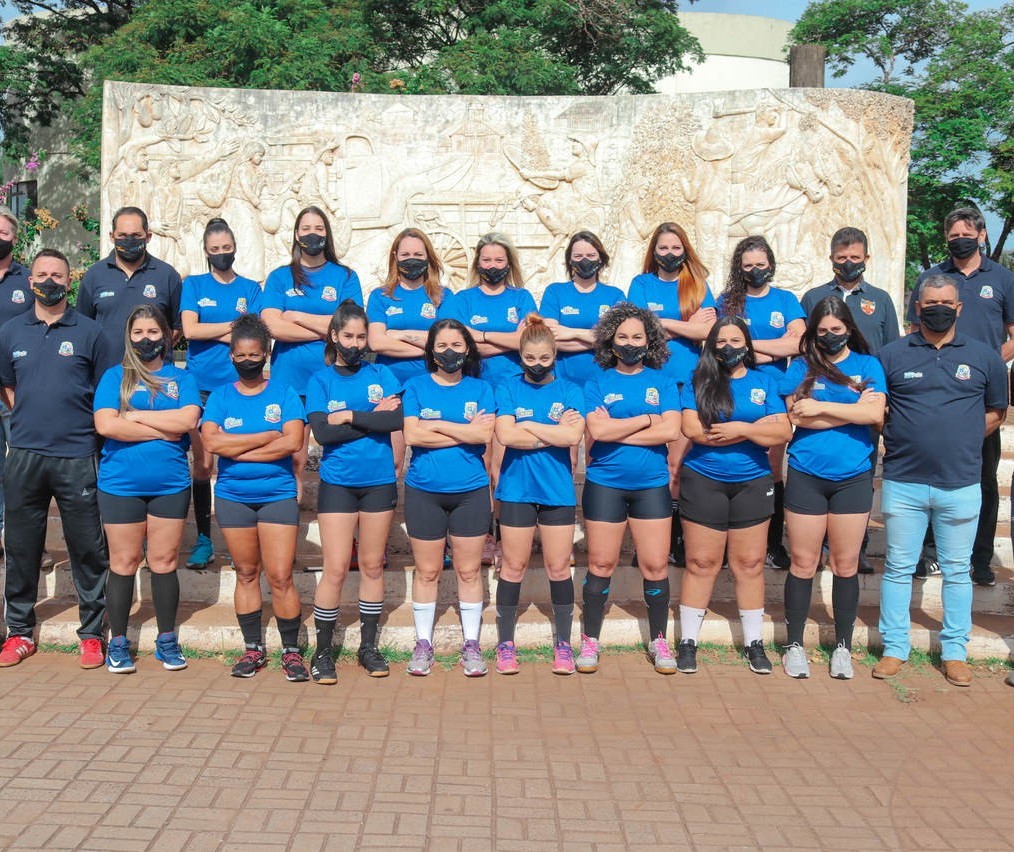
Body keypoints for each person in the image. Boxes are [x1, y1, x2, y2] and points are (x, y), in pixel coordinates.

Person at [876, 275, 1007, 687]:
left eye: (946, 301)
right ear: (917, 306)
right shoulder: (891, 356)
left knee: (956, 570)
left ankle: (955, 652)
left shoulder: (985, 357)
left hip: (961, 482)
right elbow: (877, 410)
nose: (938, 307)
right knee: (898, 567)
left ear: (959, 307)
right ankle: (895, 648)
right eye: (931, 301)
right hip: (904, 479)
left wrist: (962, 440)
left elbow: (996, 412)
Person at [0, 249, 114, 668]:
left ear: (71, 282)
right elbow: (8, 390)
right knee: (21, 547)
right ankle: (19, 632)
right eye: (42, 274)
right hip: (25, 455)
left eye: (58, 275)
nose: (50, 281)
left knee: (87, 547)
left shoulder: (91, 333)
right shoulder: (11, 332)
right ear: (30, 281)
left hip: (76, 455)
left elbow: (105, 392)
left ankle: (91, 635)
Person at [778, 296, 886, 680]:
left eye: (836, 330)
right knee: (803, 563)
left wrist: (822, 409)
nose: (829, 336)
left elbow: (875, 414)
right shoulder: (802, 366)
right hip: (807, 472)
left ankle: (843, 647)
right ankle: (794, 645)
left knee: (846, 564)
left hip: (853, 476)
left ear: (849, 329)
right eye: (822, 331)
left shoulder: (867, 365)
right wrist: (852, 410)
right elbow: (795, 416)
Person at [905, 208, 1014, 587]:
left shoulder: (1002, 279)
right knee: (931, 472)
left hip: (982, 395)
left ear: (982, 235)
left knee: (983, 478)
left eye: (967, 233)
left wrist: (987, 363)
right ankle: (931, 552)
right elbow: (913, 330)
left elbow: (1013, 334)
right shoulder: (932, 278)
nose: (959, 239)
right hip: (934, 390)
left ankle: (979, 559)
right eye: (952, 235)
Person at [677, 316, 792, 676]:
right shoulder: (698, 381)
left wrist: (741, 429)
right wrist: (757, 430)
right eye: (721, 341)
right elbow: (693, 429)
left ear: (748, 343)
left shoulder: (764, 381)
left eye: (736, 340)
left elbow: (783, 430)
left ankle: (754, 643)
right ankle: (687, 642)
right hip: (704, 479)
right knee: (701, 563)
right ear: (711, 346)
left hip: (753, 482)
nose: (729, 347)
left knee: (750, 565)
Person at [93, 305, 202, 673]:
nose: (145, 339)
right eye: (138, 332)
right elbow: (107, 426)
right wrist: (164, 430)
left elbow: (188, 419)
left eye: (152, 332)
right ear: (129, 336)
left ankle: (166, 640)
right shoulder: (114, 377)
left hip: (169, 484)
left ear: (167, 336)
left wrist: (135, 416)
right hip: (120, 484)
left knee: (164, 562)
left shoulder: (181, 378)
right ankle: (119, 642)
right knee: (123, 563)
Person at [200, 314, 308, 681]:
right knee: (246, 573)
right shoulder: (221, 395)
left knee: (280, 576)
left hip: (277, 494)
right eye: (241, 355)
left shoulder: (285, 393)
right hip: (233, 496)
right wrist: (266, 437)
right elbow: (211, 442)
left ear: (266, 354)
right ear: (231, 356)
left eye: (255, 354)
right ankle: (253, 649)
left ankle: (291, 652)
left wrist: (237, 449)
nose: (248, 360)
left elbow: (293, 441)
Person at [577, 303, 682, 675]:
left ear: (649, 340)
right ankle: (590, 640)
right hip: (605, 483)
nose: (630, 342)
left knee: (655, 565)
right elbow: (598, 432)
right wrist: (647, 419)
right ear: (610, 340)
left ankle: (658, 640)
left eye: (637, 336)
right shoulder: (597, 383)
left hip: (651, 485)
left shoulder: (664, 382)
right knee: (601, 564)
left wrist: (621, 429)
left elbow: (671, 430)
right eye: (622, 336)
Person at [305, 300, 403, 684]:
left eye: (362, 336)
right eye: (348, 335)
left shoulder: (382, 373)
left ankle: (368, 647)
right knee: (334, 568)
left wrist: (349, 416)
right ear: (334, 335)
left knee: (373, 565)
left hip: (378, 481)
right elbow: (322, 433)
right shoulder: (321, 380)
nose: (356, 342)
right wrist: (371, 418)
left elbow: (396, 419)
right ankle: (323, 652)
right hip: (338, 484)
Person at [801, 226, 901, 575]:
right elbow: (803, 346)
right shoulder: (813, 297)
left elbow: (890, 350)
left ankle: (856, 546)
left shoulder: (881, 299)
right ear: (831, 260)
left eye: (855, 258)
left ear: (866, 259)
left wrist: (880, 400)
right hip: (820, 394)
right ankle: (818, 546)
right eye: (842, 258)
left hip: (866, 396)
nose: (848, 263)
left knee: (862, 469)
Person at [401, 319, 496, 677]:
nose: (449, 352)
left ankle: (471, 645)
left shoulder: (481, 389)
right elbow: (412, 435)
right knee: (426, 571)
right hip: (424, 490)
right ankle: (423, 644)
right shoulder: (416, 386)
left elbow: (483, 435)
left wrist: (436, 424)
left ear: (467, 349)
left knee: (469, 570)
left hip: (470, 491)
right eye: (441, 346)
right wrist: (463, 431)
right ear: (431, 350)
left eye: (457, 345)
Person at [492, 315, 585, 675]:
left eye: (544, 359)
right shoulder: (507, 387)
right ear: (521, 356)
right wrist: (550, 430)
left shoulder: (570, 389)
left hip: (557, 492)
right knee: (513, 568)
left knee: (558, 567)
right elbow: (505, 436)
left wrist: (526, 424)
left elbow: (573, 438)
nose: (537, 365)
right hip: (516, 490)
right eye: (530, 359)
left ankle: (563, 644)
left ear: (554, 355)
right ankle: (505, 644)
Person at [439, 233, 537, 564]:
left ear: (508, 263)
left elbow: (527, 341)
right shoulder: (461, 299)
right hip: (472, 390)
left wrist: (479, 336)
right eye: (486, 260)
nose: (492, 266)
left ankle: (498, 535)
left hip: (512, 390)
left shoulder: (522, 297)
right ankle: (471, 537)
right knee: (478, 466)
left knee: (501, 469)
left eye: (499, 260)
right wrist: (505, 339)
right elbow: (455, 342)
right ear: (477, 263)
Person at [628, 222, 717, 567]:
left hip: (687, 383)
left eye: (676, 248)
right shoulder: (641, 283)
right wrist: (687, 326)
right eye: (663, 248)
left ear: (685, 251)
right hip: (648, 384)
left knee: (676, 466)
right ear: (654, 251)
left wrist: (662, 324)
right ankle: (647, 541)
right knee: (651, 463)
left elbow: (707, 332)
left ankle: (674, 536)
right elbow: (638, 329)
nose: (669, 254)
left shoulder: (696, 285)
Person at [261, 205, 363, 503]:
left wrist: (295, 315)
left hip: (335, 378)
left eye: (319, 229)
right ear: (296, 234)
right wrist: (329, 329)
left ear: (327, 234)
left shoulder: (345, 276)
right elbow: (272, 326)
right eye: (306, 229)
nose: (312, 234)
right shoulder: (280, 277)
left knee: (344, 457)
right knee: (293, 459)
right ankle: (288, 527)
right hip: (291, 379)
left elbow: (351, 324)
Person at [180, 217, 263, 570]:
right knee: (203, 464)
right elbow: (188, 329)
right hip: (201, 387)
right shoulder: (194, 285)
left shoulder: (251, 288)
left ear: (235, 248)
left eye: (226, 249)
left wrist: (211, 330)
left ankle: (247, 538)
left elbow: (256, 334)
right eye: (215, 250)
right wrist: (233, 328)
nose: (221, 254)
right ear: (206, 251)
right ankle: (203, 538)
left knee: (242, 455)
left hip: (241, 387)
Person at [718, 235, 804, 571]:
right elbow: (721, 344)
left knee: (771, 466)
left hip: (771, 390)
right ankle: (726, 542)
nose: (755, 270)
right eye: (748, 265)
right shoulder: (729, 301)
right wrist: (773, 346)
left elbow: (798, 342)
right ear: (739, 268)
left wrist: (748, 346)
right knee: (731, 457)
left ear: (771, 265)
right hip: (731, 388)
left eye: (761, 264)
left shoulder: (785, 299)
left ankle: (772, 544)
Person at [366, 227, 451, 472]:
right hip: (392, 387)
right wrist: (429, 345)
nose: (411, 259)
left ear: (428, 257)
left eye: (418, 253)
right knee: (392, 461)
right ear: (395, 257)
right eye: (405, 254)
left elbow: (446, 342)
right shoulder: (381, 296)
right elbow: (377, 342)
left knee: (432, 458)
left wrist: (400, 335)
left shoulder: (443, 296)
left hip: (432, 386)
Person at [77, 206, 182, 361]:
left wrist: (154, 351)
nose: (129, 240)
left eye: (136, 235)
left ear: (148, 236)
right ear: (112, 236)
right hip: (108, 375)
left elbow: (178, 327)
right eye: (123, 235)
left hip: (155, 377)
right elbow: (83, 326)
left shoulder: (167, 275)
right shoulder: (94, 275)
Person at [539, 231, 624, 387]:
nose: (584, 260)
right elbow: (548, 340)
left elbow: (619, 341)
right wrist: (601, 340)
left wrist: (573, 332)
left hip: (605, 383)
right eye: (578, 256)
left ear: (600, 258)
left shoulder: (615, 295)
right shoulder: (555, 292)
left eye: (591, 255)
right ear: (570, 260)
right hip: (561, 383)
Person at [0, 206, 33, 563]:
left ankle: (21, 543)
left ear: (14, 237)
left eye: (3, 233)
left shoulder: (27, 280)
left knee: (21, 468)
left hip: (15, 388)